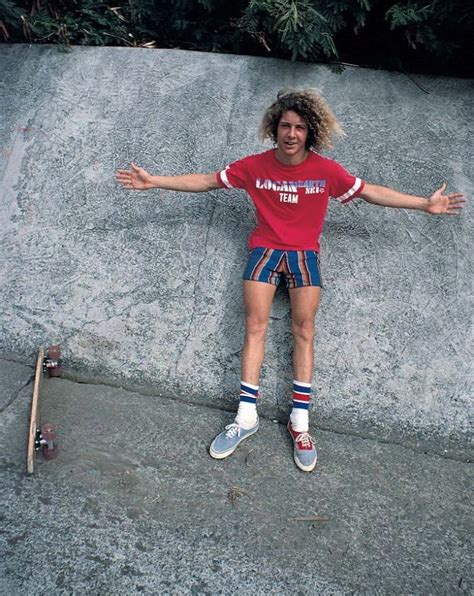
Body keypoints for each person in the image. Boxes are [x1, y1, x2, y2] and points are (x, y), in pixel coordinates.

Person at [116, 88, 465, 473]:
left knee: (305, 330)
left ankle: (300, 423)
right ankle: (246, 417)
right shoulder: (254, 166)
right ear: (274, 127)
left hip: (304, 256)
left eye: (300, 127)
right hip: (264, 250)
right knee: (254, 326)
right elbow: (206, 181)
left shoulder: (326, 171)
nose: (292, 133)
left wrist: (422, 203)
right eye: (285, 125)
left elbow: (370, 192)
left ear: (309, 132)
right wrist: (156, 182)